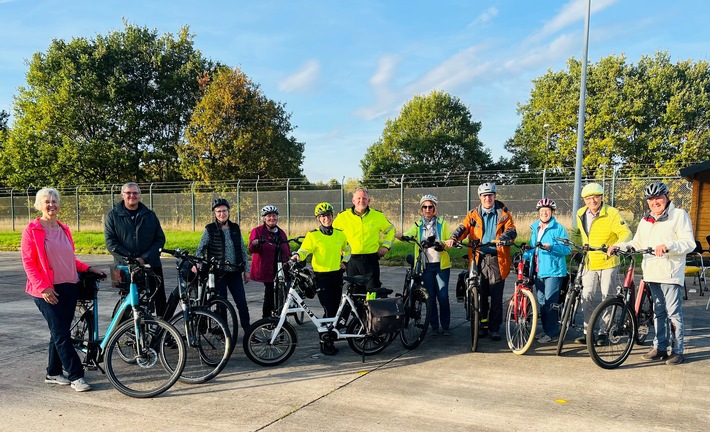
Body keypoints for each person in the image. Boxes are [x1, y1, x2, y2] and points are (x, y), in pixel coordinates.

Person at [22, 188, 106, 392]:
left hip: (70, 286)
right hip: (47, 290)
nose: (51, 205)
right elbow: (28, 262)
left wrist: (88, 268)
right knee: (61, 334)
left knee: (59, 332)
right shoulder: (32, 230)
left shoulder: (63, 229)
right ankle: (77, 375)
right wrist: (43, 288)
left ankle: (53, 372)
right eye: (47, 202)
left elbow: (68, 258)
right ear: (39, 205)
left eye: (54, 201)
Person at [608, 182, 694, 365]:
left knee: (673, 313)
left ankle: (677, 350)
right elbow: (637, 243)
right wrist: (619, 246)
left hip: (670, 273)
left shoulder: (679, 215)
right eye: (651, 199)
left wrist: (668, 246)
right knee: (658, 313)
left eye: (658, 198)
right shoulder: (645, 220)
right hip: (652, 272)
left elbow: (689, 243)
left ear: (667, 197)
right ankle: (660, 347)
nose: (655, 202)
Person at [445, 182, 517, 341]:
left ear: (494, 196)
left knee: (497, 297)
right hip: (478, 258)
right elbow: (463, 228)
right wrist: (454, 238)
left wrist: (502, 238)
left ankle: (495, 328)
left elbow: (512, 230)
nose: (487, 198)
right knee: (481, 295)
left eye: (490, 195)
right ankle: (482, 325)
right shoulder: (473, 214)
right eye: (484, 196)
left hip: (497, 259)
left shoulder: (504, 214)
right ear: (480, 197)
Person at [570, 182, 632, 344]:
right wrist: (575, 248)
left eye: (595, 197)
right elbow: (577, 232)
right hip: (589, 261)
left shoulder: (611, 213)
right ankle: (588, 332)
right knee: (586, 296)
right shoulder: (580, 213)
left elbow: (626, 232)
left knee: (607, 297)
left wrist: (617, 245)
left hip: (608, 261)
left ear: (602, 197)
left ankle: (604, 332)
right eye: (588, 198)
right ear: (584, 200)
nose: (592, 201)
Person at [292, 202, 351, 355]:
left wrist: (345, 261)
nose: (326, 219)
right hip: (321, 276)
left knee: (335, 308)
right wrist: (298, 256)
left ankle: (329, 336)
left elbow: (347, 248)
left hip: (336, 275)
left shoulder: (340, 233)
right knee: (328, 309)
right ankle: (325, 341)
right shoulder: (313, 235)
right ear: (318, 219)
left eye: (329, 215)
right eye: (323, 216)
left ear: (333, 216)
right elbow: (305, 249)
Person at [105, 182, 167, 317]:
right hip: (125, 267)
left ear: (139, 195)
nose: (131, 196)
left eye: (135, 193)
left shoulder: (149, 215)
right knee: (128, 303)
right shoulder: (113, 216)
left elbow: (160, 239)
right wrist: (131, 259)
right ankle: (125, 333)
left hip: (151, 265)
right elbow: (111, 242)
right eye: (128, 193)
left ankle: (165, 334)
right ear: (122, 195)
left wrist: (144, 258)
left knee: (159, 300)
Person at [398, 194, 452, 336]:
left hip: (441, 266)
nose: (427, 209)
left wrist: (443, 244)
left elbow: (448, 241)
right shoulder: (417, 225)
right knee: (431, 297)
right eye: (424, 207)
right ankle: (434, 325)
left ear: (435, 208)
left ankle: (445, 326)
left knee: (443, 296)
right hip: (426, 266)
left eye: (430, 207)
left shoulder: (442, 223)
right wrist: (399, 235)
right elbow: (408, 235)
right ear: (421, 209)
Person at [195, 198, 251, 333]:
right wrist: (199, 263)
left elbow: (242, 250)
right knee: (221, 304)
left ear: (229, 212)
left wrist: (246, 270)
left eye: (224, 211)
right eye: (219, 211)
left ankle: (249, 330)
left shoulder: (235, 228)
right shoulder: (209, 229)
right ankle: (223, 332)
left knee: (241, 302)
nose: (222, 214)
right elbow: (200, 249)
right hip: (218, 272)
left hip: (234, 271)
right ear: (214, 213)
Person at [523, 198, 571, 343]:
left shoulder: (559, 228)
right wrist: (524, 256)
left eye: (547, 211)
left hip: (553, 271)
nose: (544, 213)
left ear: (552, 212)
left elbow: (567, 249)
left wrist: (552, 248)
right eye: (542, 211)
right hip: (538, 271)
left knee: (551, 302)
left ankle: (553, 333)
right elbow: (533, 249)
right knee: (542, 303)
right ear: (538, 213)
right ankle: (546, 330)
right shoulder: (535, 228)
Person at [332, 187, 395, 293]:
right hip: (351, 260)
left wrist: (386, 246)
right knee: (354, 292)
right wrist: (339, 254)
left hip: (371, 260)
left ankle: (370, 310)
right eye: (359, 198)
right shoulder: (343, 216)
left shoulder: (377, 216)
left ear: (368, 200)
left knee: (372, 293)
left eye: (364, 198)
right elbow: (333, 236)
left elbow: (391, 230)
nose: (361, 201)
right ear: (353, 201)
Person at [249, 205, 291, 318]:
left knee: (281, 292)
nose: (272, 218)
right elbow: (251, 249)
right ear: (263, 218)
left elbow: (286, 249)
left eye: (274, 216)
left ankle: (279, 315)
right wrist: (256, 243)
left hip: (280, 267)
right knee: (270, 292)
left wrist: (290, 260)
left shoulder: (281, 232)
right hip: (266, 268)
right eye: (269, 216)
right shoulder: (257, 231)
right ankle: (266, 318)